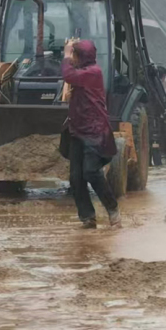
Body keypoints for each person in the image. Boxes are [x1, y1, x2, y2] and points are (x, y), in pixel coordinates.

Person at [62, 40, 120, 229]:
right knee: (75, 177)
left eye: (75, 55)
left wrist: (65, 55)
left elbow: (68, 75)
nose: (73, 59)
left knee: (91, 171)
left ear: (82, 56)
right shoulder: (84, 74)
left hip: (95, 131)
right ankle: (88, 217)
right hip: (78, 130)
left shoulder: (93, 72)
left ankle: (112, 209)